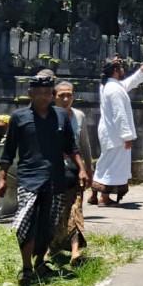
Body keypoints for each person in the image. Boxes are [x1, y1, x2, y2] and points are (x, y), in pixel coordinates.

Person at [0, 74, 89, 286]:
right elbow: (8, 151)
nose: (43, 97)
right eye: (38, 93)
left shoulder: (60, 117)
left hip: (55, 179)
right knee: (26, 223)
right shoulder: (19, 117)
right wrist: (1, 177)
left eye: (47, 93)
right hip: (29, 178)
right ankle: (26, 268)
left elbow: (71, 147)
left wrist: (82, 169)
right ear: (30, 94)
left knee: (48, 224)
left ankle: (40, 262)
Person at [93, 58, 143, 206]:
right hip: (116, 134)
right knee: (112, 165)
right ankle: (104, 198)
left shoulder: (110, 86)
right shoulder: (114, 89)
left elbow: (128, 84)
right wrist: (127, 136)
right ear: (116, 71)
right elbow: (120, 114)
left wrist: (141, 72)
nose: (124, 70)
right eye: (121, 68)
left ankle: (95, 195)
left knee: (105, 163)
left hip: (110, 133)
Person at [50, 80, 93, 264]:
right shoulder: (48, 116)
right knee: (55, 213)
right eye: (62, 95)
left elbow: (84, 145)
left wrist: (89, 169)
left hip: (75, 170)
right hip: (54, 171)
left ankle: (75, 252)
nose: (66, 99)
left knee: (76, 209)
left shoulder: (79, 116)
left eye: (70, 95)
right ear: (54, 97)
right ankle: (51, 248)